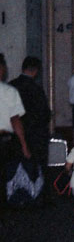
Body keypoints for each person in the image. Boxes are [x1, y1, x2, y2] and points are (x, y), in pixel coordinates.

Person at [10, 56, 51, 171]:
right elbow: (44, 115)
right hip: (35, 139)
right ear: (36, 71)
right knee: (34, 174)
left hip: (13, 138)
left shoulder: (11, 86)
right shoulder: (36, 89)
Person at [0, 54, 32, 183]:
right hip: (5, 141)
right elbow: (15, 120)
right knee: (4, 180)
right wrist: (24, 145)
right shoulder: (9, 91)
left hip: (6, 141)